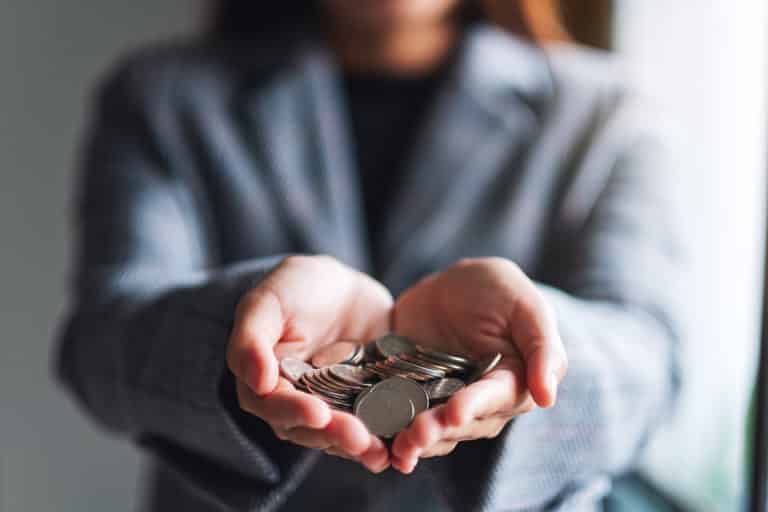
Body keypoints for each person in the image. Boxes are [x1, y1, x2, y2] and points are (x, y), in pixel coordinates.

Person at [56, 1, 684, 510]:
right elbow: (98, 345)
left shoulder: (605, 113)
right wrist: (241, 336)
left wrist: (535, 340)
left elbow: (654, 367)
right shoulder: (160, 97)